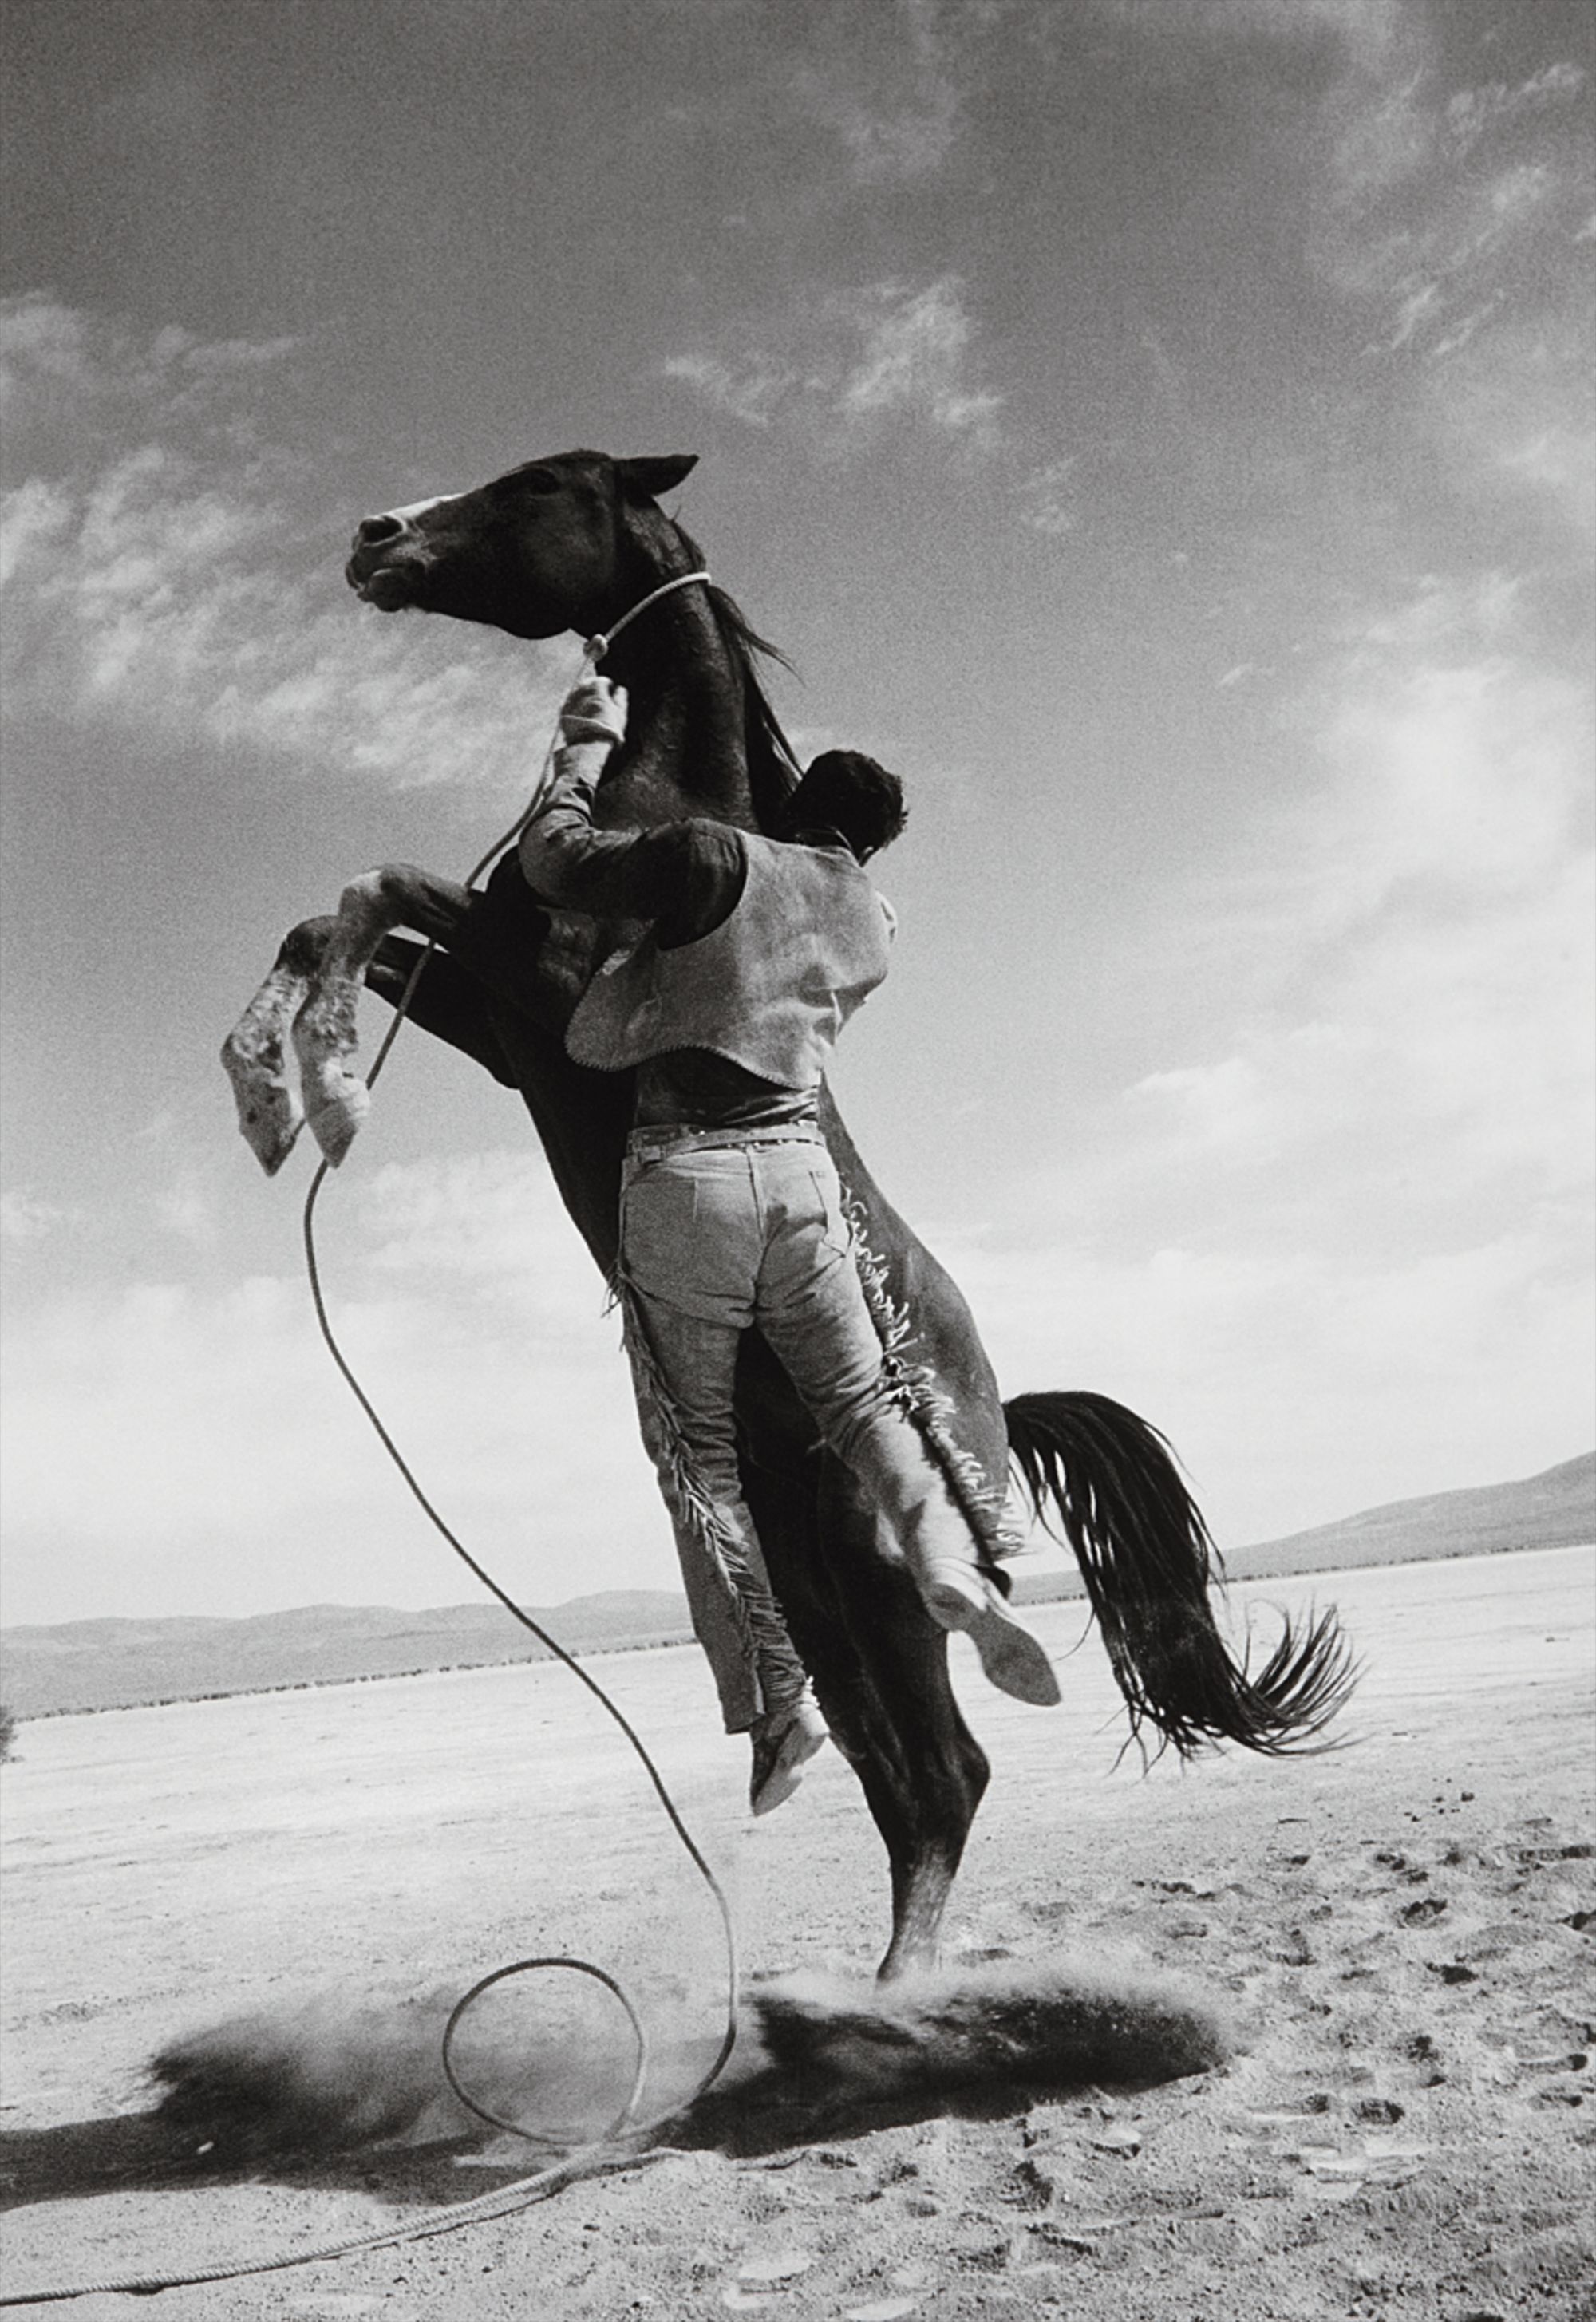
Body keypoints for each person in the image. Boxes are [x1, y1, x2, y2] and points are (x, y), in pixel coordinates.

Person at [519, 676, 1060, 1815]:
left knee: (700, 1459)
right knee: (868, 1410)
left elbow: (555, 864)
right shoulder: (875, 921)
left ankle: (781, 1700)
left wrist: (584, 744)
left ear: (794, 802)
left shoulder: (719, 856)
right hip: (804, 1178)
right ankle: (955, 1570)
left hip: (690, 1175)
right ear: (872, 845)